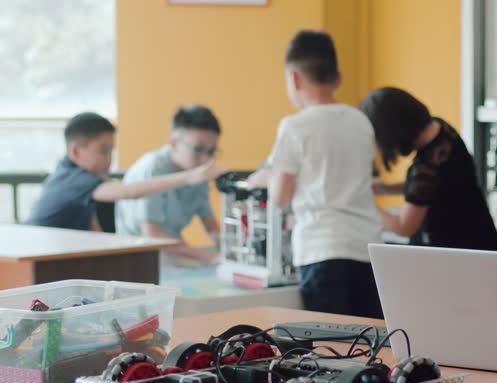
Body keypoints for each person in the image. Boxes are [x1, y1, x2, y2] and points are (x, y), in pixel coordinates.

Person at [247, 30, 383, 318]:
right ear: (338, 77)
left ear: (294, 78)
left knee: (330, 348)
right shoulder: (361, 121)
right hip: (367, 248)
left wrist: (266, 177)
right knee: (370, 343)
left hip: (322, 250)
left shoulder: (295, 126)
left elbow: (280, 198)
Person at [26, 112, 226, 232]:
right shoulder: (72, 180)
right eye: (103, 151)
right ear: (76, 151)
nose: (109, 159)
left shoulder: (82, 181)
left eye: (111, 151)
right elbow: (127, 192)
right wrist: (189, 177)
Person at [359, 87, 497, 251]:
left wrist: (365, 203)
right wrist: (387, 188)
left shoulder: (426, 168)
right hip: (481, 241)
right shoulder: (442, 130)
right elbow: (437, 187)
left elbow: (404, 226)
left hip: (455, 254)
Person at [116, 105, 227, 266]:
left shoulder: (198, 171)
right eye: (198, 149)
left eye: (211, 151)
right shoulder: (152, 169)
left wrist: (226, 249)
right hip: (141, 254)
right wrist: (210, 257)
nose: (205, 159)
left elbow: (210, 225)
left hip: (172, 249)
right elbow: (152, 235)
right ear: (174, 143)